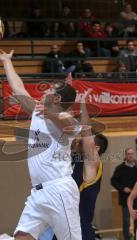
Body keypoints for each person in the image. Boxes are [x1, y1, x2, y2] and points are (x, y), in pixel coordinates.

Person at [0, 49, 82, 240]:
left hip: (60, 190)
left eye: (51, 89)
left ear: (57, 99)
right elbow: (18, 88)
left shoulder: (65, 117)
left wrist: (50, 113)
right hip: (38, 192)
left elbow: (70, 126)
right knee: (21, 237)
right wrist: (6, 62)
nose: (46, 90)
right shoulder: (38, 111)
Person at [39, 89, 108, 240]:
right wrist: (66, 97)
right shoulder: (74, 157)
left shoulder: (92, 164)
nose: (81, 140)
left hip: (80, 229)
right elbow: (67, 128)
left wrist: (82, 103)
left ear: (96, 149)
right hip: (62, 226)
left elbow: (85, 129)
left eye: (86, 140)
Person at [111, 148, 137, 240]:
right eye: (128, 154)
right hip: (125, 199)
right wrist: (122, 188)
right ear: (125, 156)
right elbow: (113, 181)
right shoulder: (119, 168)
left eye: (132, 154)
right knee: (126, 222)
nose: (130, 155)